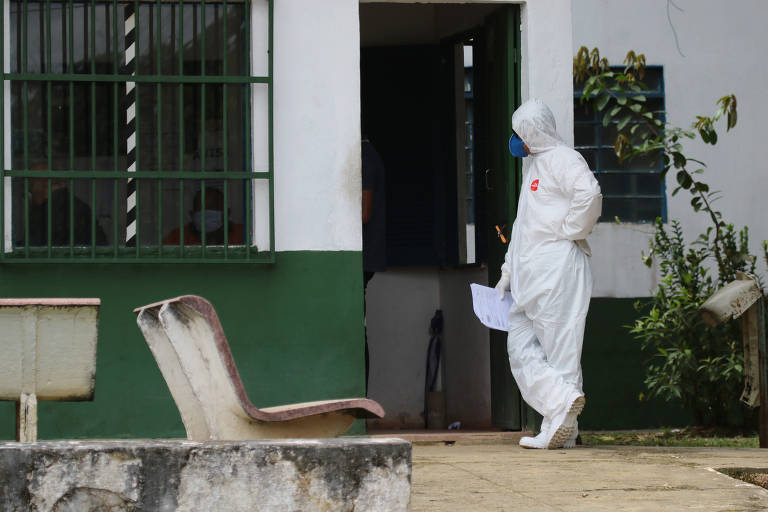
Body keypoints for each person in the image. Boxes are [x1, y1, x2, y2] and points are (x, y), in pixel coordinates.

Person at [495, 99, 602, 449]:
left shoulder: (562, 159)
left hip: (558, 271)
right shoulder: (536, 168)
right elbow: (522, 226)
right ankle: (561, 405)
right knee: (520, 346)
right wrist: (508, 271)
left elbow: (590, 194)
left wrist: (572, 230)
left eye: (518, 132)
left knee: (561, 351)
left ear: (531, 131)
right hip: (531, 276)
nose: (515, 140)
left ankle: (560, 430)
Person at [26, 164, 107, 247]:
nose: (29, 196)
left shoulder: (50, 209)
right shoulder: (74, 205)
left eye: (31, 188)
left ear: (43, 186)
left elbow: (40, 246)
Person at [362, 137, 387, 395]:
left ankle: (362, 399)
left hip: (361, 262)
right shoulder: (369, 155)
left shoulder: (364, 159)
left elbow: (363, 212)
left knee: (358, 335)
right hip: (364, 261)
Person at [164, 187, 244, 246]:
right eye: (201, 209)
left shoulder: (243, 234)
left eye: (213, 208)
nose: (207, 214)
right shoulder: (177, 237)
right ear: (192, 215)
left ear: (227, 213)